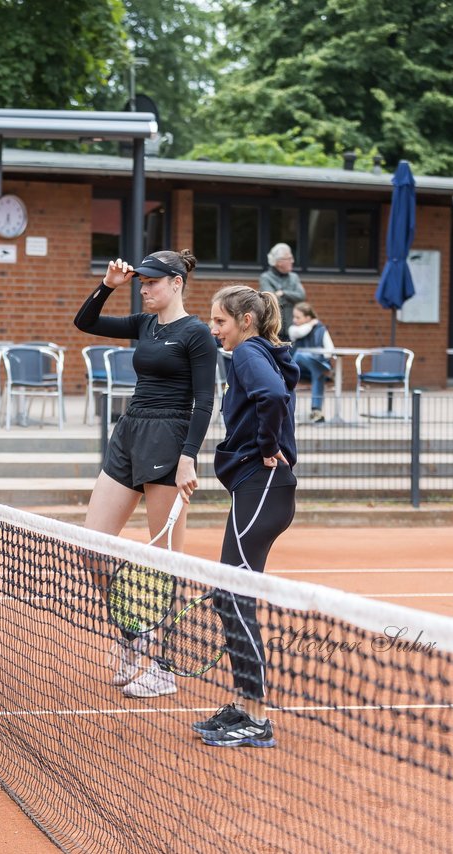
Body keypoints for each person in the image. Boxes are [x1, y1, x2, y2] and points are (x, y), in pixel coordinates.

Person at [73, 250, 218, 699]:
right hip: (130, 433)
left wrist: (189, 457)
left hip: (170, 440)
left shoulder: (197, 334)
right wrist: (107, 286)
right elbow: (86, 322)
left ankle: (166, 666)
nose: (145, 287)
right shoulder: (145, 324)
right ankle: (134, 634)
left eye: (153, 282)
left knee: (165, 563)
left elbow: (205, 401)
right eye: (143, 282)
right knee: (93, 548)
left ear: (176, 283)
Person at [195, 284, 298, 749]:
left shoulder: (249, 354)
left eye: (220, 321)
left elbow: (273, 396)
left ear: (245, 321)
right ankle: (245, 703)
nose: (214, 329)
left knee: (233, 596)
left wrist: (269, 446)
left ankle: (256, 719)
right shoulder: (255, 351)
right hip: (256, 488)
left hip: (264, 484)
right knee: (227, 595)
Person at [287, 301, 334, 423]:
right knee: (301, 354)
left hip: (314, 368)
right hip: (298, 368)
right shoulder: (293, 329)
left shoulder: (321, 330)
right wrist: (312, 323)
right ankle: (316, 412)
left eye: (298, 317)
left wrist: (318, 358)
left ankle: (316, 411)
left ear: (307, 317)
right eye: (294, 317)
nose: (294, 320)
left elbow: (330, 350)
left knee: (317, 372)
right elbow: (301, 332)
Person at [258, 243, 306, 336]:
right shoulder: (266, 278)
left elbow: (301, 296)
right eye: (289, 258)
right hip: (274, 329)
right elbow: (271, 299)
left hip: (292, 329)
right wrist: (290, 298)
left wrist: (284, 293)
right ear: (278, 262)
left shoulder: (294, 277)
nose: (292, 261)